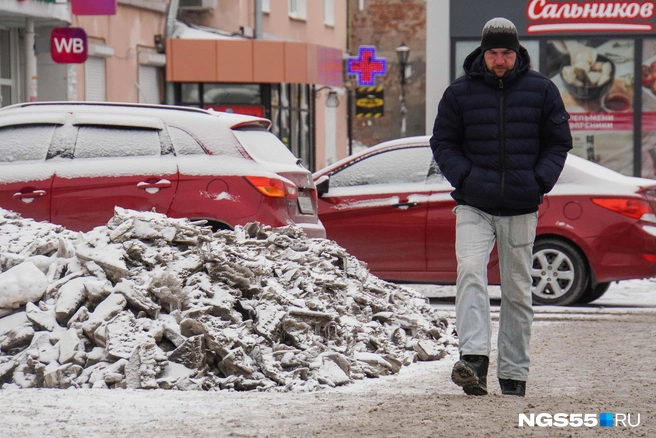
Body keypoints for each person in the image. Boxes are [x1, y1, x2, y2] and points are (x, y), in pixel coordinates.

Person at [430, 17, 572, 397]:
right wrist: (466, 178)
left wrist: (538, 181)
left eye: (506, 52)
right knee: (471, 272)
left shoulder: (541, 90)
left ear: (516, 53)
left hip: (522, 206)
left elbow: (559, 142)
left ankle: (513, 374)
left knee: (517, 290)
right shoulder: (459, 93)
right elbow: (442, 141)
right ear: (482, 52)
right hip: (473, 204)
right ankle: (473, 361)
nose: (499, 59)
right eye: (493, 52)